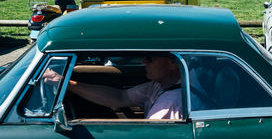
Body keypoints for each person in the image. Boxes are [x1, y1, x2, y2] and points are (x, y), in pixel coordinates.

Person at [43, 56, 182, 120]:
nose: (143, 61)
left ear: (173, 63)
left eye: (150, 58)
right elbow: (120, 97)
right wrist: (67, 84)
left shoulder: (170, 103)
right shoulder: (160, 85)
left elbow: (148, 133)